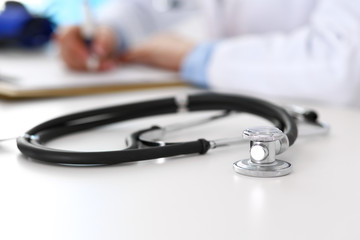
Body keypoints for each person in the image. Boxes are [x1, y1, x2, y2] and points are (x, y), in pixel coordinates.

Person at [57, 0, 360, 107]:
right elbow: (157, 4)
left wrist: (197, 57)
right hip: (243, 109)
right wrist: (111, 31)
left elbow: (344, 64)